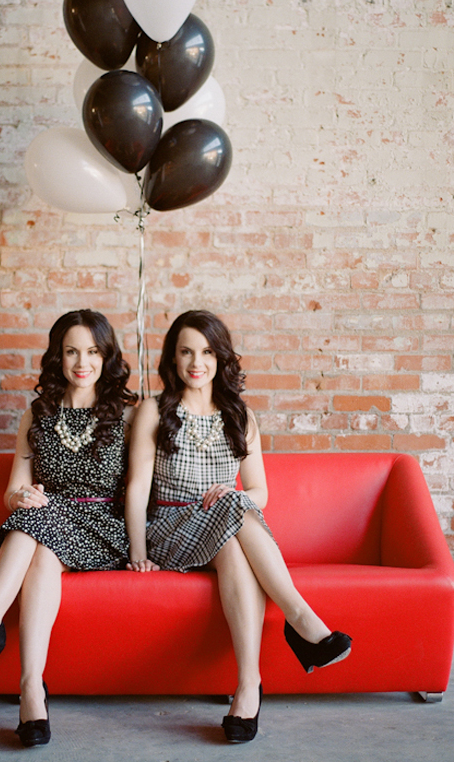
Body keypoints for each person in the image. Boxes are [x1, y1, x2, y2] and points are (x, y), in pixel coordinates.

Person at [125, 310, 351, 744]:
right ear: (172, 358)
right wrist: (138, 553)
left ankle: (248, 686)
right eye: (186, 352)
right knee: (232, 510)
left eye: (207, 352)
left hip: (221, 528)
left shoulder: (240, 416)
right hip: (169, 528)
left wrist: (234, 496)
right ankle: (299, 617)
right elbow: (137, 487)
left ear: (221, 358)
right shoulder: (154, 410)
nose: (197, 362)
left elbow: (259, 491)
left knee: (233, 531)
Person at [0, 310, 137, 747]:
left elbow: (139, 487)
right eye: (71, 351)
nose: (82, 362)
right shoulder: (36, 414)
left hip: (102, 529)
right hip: (47, 528)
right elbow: (12, 491)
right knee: (39, 540)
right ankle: (31, 691)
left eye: (92, 352)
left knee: (38, 524)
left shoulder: (129, 414)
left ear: (107, 356)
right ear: (57, 356)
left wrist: (139, 549)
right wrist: (20, 497)